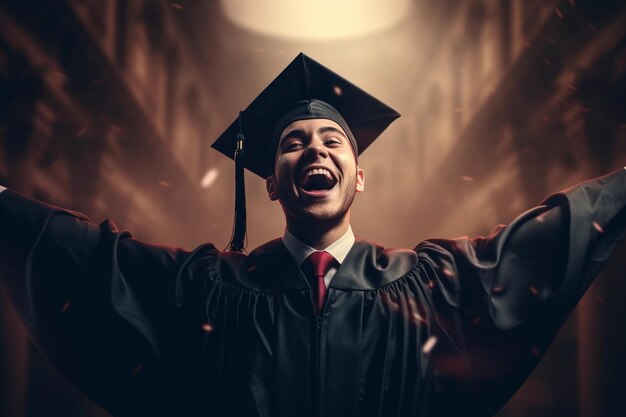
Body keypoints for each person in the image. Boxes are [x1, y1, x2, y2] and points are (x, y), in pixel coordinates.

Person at [1, 53, 625, 417]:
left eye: (332, 141)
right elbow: (90, 260)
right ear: (271, 183)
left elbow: (543, 240)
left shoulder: (425, 291)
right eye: (292, 143)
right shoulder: (212, 290)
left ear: (359, 179)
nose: (312, 150)